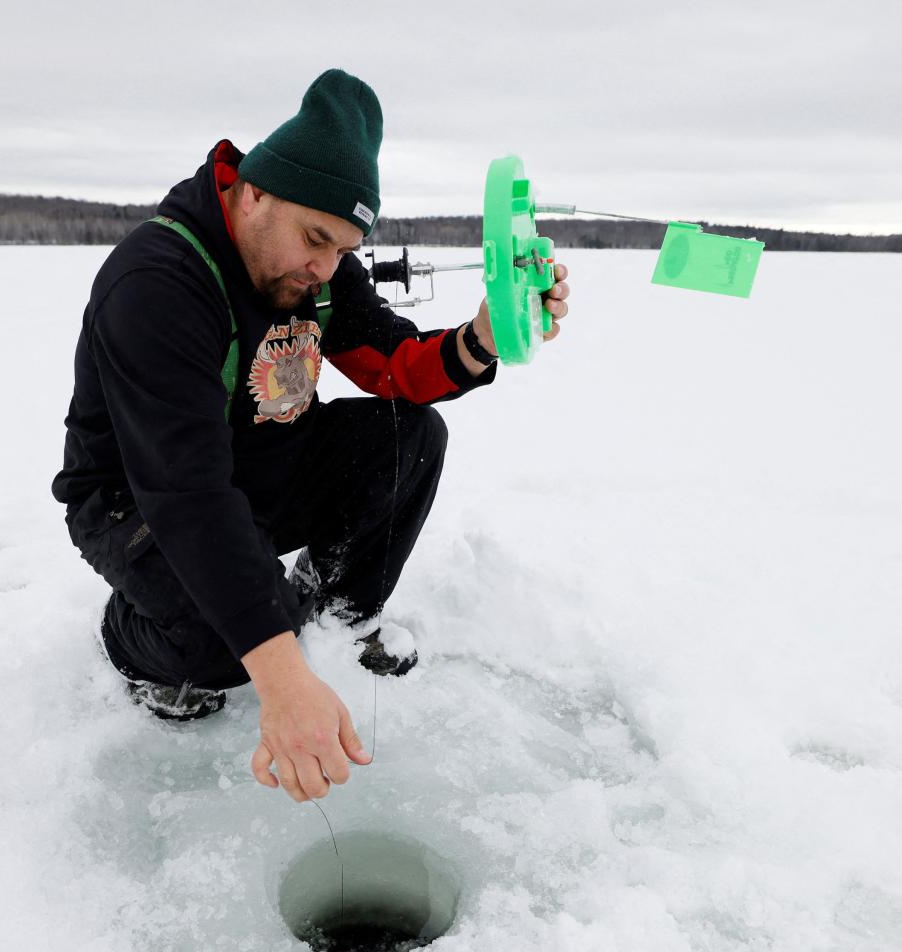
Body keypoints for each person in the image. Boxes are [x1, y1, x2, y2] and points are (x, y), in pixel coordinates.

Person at [52, 68, 570, 804]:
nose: (326, 267)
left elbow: (393, 365)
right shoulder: (158, 283)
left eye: (343, 249)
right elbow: (187, 492)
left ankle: (332, 622)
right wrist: (279, 674)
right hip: (137, 501)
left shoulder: (316, 271)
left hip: (266, 470)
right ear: (254, 192)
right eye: (316, 240)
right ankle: (134, 640)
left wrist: (483, 339)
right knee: (220, 647)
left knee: (411, 436)